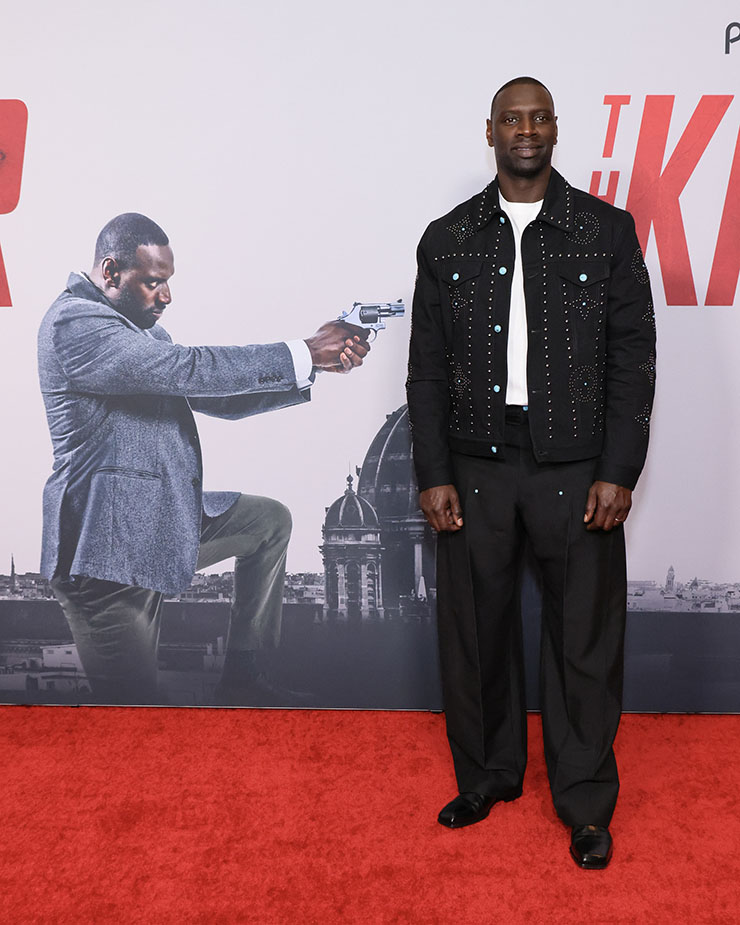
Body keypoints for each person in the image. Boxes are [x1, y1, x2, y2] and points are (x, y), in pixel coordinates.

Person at [406, 78, 656, 869]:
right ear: (490, 132)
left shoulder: (606, 233)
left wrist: (619, 468)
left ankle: (584, 803)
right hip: (477, 464)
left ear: (556, 129)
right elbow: (425, 371)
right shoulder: (446, 239)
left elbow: (633, 360)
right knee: (475, 631)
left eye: (538, 117)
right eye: (511, 119)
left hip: (577, 463)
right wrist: (434, 470)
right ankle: (487, 775)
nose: (525, 130)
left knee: (583, 636)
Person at [38, 212, 370, 706]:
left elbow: (214, 394)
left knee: (268, 521)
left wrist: (310, 366)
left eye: (168, 282)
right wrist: (300, 351)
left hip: (161, 525)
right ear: (110, 273)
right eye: (154, 283)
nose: (167, 297)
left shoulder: (137, 329)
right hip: (105, 558)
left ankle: (242, 673)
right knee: (134, 726)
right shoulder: (74, 324)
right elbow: (188, 368)